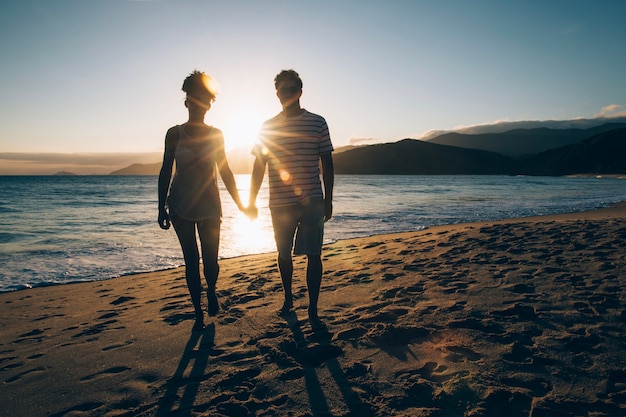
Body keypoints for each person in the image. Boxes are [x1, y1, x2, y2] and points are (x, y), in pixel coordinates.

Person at [158, 70, 246, 332]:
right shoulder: (174, 133)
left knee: (211, 261)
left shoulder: (216, 134)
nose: (199, 105)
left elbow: (226, 170)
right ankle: (197, 311)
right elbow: (166, 170)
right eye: (193, 100)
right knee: (191, 260)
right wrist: (160, 206)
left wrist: (240, 203)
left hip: (209, 204)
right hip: (180, 205)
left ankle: (212, 291)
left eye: (204, 101)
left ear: (209, 105)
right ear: (186, 103)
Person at [248, 69, 335, 330]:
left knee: (313, 254)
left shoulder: (318, 122)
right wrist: (250, 200)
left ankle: (313, 307)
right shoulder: (268, 126)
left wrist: (328, 199)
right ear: (277, 94)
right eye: (282, 90)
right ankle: (288, 298)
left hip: (312, 200)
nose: (286, 94)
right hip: (280, 202)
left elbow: (327, 163)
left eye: (291, 89)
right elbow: (259, 166)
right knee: (283, 253)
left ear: (300, 91)